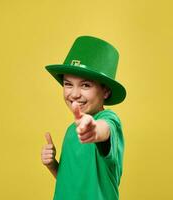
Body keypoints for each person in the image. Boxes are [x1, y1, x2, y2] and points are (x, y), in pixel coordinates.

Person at [41, 36, 127, 200]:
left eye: (85, 85)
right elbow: (70, 183)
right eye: (68, 84)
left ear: (106, 91)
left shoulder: (109, 120)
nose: (74, 94)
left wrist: (95, 130)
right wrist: (52, 165)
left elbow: (104, 128)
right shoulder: (71, 131)